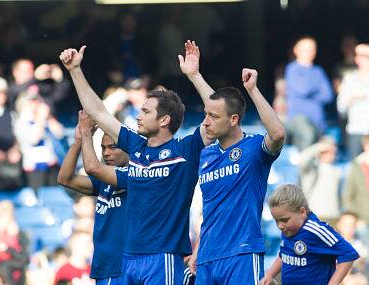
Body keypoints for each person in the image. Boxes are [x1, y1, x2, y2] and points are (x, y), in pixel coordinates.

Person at [59, 41, 213, 284]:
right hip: (128, 259)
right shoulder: (136, 147)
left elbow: (216, 113)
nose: (138, 116)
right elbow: (99, 113)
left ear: (164, 120)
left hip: (163, 256)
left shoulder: (186, 150)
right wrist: (75, 70)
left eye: (145, 112)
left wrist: (194, 76)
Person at [182, 47, 285, 284]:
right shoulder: (206, 154)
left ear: (234, 120)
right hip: (206, 256)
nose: (206, 123)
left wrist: (253, 90)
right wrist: (195, 75)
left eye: (213, 118)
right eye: (205, 116)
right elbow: (218, 107)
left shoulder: (254, 149)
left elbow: (278, 133)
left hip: (241, 252)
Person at [57, 110, 129, 285]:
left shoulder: (135, 175)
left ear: (129, 149)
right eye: (103, 148)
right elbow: (65, 178)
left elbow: (92, 168)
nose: (106, 153)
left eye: (113, 147)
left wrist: (86, 135)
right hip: (103, 266)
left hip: (124, 266)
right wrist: (78, 141)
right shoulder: (104, 182)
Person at [260, 184, 359, 285]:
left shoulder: (316, 231)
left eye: (284, 220)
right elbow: (284, 254)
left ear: (302, 212)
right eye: (276, 220)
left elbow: (348, 254)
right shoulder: (288, 230)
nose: (279, 226)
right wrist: (269, 275)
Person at [284, 36, 333, 150]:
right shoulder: (292, 69)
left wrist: (311, 93)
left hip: (319, 121)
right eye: (305, 49)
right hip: (299, 118)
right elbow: (303, 89)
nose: (310, 52)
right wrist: (317, 85)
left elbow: (328, 95)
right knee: (308, 140)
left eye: (312, 49)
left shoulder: (318, 70)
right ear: (296, 50)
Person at [337, 43, 369, 159]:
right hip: (355, 130)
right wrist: (352, 98)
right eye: (363, 57)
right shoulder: (349, 79)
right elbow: (341, 108)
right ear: (357, 59)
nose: (366, 60)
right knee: (355, 168)